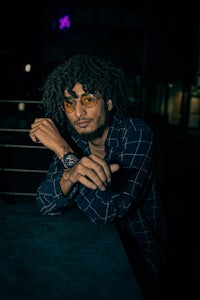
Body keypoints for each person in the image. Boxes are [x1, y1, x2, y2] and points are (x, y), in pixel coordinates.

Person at [29, 54, 168, 300]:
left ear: (110, 103)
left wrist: (64, 152)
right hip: (90, 247)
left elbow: (107, 211)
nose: (78, 112)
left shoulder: (135, 133)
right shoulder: (74, 141)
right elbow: (45, 202)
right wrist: (69, 169)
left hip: (138, 254)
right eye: (70, 104)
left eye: (89, 99)